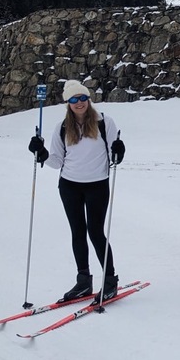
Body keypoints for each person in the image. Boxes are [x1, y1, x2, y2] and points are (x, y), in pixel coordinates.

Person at [27, 80, 126, 303]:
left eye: (82, 98)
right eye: (74, 99)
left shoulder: (104, 122)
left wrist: (119, 151)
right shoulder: (62, 127)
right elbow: (55, 161)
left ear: (88, 99)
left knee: (96, 232)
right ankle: (84, 281)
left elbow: (114, 155)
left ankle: (110, 281)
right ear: (68, 103)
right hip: (69, 185)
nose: (79, 103)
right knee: (78, 232)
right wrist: (40, 152)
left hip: (97, 184)